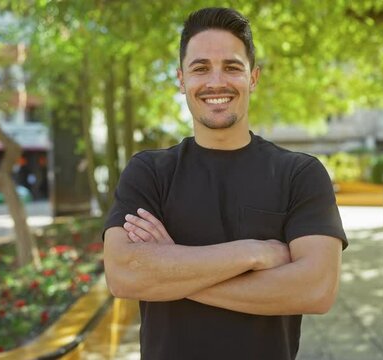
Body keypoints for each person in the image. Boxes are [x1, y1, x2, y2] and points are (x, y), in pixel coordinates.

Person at [103, 7, 348, 360]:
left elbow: (317, 290)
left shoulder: (300, 173)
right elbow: (124, 274)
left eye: (232, 67)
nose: (216, 81)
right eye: (200, 68)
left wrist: (169, 270)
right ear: (181, 79)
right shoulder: (149, 172)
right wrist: (254, 252)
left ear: (253, 77)